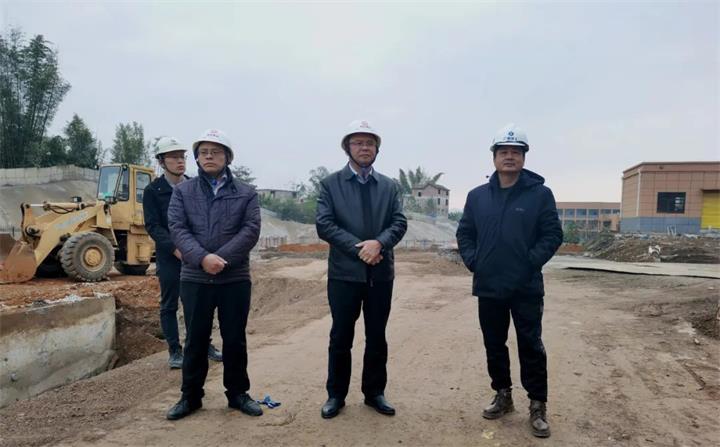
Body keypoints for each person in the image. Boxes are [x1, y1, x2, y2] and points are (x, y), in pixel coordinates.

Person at [456, 123, 563, 438]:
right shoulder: (478, 197)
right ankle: (502, 394)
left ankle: (538, 404)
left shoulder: (540, 195)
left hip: (525, 286)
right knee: (494, 343)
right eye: (503, 151)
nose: (509, 157)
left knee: (531, 345)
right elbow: (465, 233)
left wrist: (529, 263)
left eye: (516, 152)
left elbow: (552, 235)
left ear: (524, 157)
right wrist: (475, 261)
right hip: (489, 286)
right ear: (494, 157)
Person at [165, 129, 263, 420]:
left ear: (228, 157)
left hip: (234, 277)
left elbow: (251, 230)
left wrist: (222, 259)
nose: (209, 156)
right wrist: (202, 258)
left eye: (216, 152)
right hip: (195, 277)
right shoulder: (183, 192)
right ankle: (190, 396)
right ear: (197, 158)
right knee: (195, 339)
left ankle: (238, 394)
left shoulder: (246, 192)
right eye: (204, 152)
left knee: (235, 339)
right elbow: (177, 228)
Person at [316, 120, 407, 419]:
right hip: (344, 274)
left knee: (377, 336)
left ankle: (374, 392)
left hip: (380, 275)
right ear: (347, 148)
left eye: (370, 143)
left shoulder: (389, 186)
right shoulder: (330, 185)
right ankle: (336, 395)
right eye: (358, 143)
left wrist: (379, 244)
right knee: (340, 336)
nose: (364, 148)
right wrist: (361, 249)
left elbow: (399, 222)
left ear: (377, 149)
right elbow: (324, 225)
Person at [143, 136, 222, 369]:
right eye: (174, 157)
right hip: (170, 257)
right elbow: (153, 226)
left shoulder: (195, 186)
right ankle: (175, 351)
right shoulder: (153, 191)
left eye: (182, 157)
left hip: (195, 254)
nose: (180, 162)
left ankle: (203, 344)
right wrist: (176, 249)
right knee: (170, 304)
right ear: (161, 161)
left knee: (198, 303)